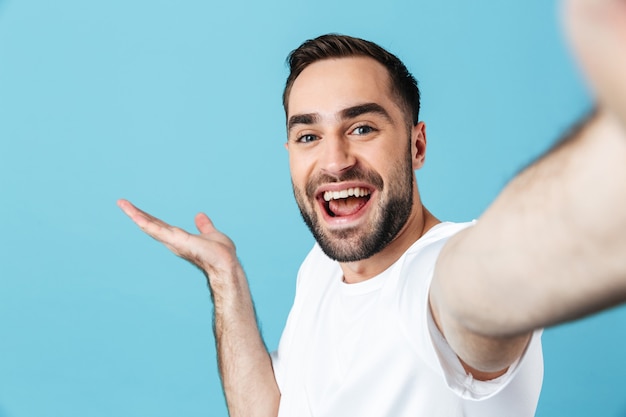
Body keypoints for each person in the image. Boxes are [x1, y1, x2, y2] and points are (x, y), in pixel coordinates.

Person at [117, 0, 626, 415]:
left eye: (362, 127)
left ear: (417, 145)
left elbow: (506, 267)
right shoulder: (321, 268)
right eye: (309, 134)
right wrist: (225, 278)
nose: (334, 161)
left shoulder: (435, 282)